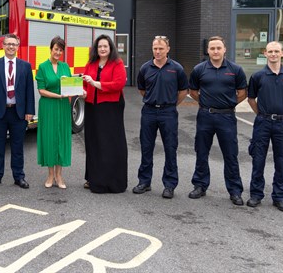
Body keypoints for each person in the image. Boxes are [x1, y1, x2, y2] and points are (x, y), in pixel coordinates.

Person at [187, 36, 247, 206]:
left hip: (226, 117)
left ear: (224, 49)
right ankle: (200, 185)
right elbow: (193, 90)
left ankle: (235, 190)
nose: (215, 51)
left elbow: (242, 92)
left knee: (230, 154)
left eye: (218, 48)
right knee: (201, 151)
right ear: (208, 50)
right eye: (212, 48)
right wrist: (206, 103)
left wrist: (229, 104)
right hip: (205, 116)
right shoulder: (199, 69)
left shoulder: (235, 69)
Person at [133, 36, 188, 199]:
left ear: (168, 49)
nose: (157, 51)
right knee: (146, 147)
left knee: (170, 148)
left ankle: (169, 185)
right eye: (155, 48)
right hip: (149, 112)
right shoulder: (145, 68)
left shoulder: (176, 68)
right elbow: (142, 89)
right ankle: (144, 182)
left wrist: (170, 105)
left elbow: (183, 91)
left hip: (168, 112)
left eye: (161, 48)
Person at [247, 41, 283, 212]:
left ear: (282, 53)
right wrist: (262, 114)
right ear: (265, 53)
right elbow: (251, 99)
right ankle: (255, 194)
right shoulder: (258, 76)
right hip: (263, 122)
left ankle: (280, 196)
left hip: (282, 123)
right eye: (270, 51)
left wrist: (281, 111)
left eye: (277, 51)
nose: (273, 54)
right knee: (258, 158)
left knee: (282, 159)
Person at [0, 33, 35, 189]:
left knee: (17, 147)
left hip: (18, 113)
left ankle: (19, 177)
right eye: (8, 44)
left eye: (13, 44)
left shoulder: (25, 66)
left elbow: (29, 91)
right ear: (3, 46)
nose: (11, 47)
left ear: (17, 46)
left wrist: (29, 111)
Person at [82, 34, 127, 193]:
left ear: (110, 48)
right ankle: (94, 179)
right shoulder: (91, 63)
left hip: (110, 108)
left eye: (105, 46)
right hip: (92, 108)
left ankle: (112, 181)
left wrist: (96, 84)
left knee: (110, 143)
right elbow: (85, 83)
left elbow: (119, 84)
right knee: (94, 143)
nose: (102, 49)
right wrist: (84, 91)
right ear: (96, 48)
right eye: (100, 46)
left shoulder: (117, 63)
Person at [36, 36, 73, 189]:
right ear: (50, 49)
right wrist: (58, 96)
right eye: (56, 49)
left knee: (61, 139)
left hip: (63, 106)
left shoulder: (65, 67)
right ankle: (50, 175)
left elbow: (71, 87)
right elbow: (41, 90)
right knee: (50, 139)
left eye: (61, 50)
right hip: (48, 106)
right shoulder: (43, 67)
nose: (58, 52)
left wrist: (78, 91)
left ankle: (59, 175)